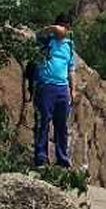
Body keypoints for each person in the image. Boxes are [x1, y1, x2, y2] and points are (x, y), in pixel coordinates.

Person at [28, 22, 80, 168]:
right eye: (62, 26)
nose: (64, 30)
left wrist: (73, 90)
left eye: (66, 27)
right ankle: (40, 157)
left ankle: (62, 159)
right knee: (43, 122)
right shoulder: (46, 40)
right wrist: (52, 28)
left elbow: (71, 69)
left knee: (61, 125)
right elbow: (36, 35)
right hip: (45, 86)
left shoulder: (69, 46)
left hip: (62, 88)